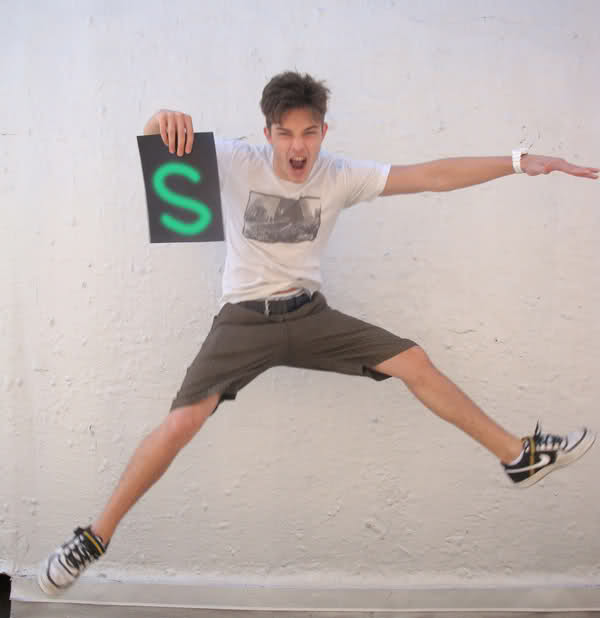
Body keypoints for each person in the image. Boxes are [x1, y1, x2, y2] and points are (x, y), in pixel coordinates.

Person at [38, 71, 598, 596]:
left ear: (323, 133)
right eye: (285, 134)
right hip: (243, 321)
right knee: (181, 423)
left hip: (310, 317)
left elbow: (431, 176)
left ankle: (518, 457)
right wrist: (160, 117)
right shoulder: (235, 160)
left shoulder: (340, 175)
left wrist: (520, 162)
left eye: (308, 133)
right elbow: (157, 146)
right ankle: (93, 537)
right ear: (267, 134)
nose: (297, 146)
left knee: (415, 362)